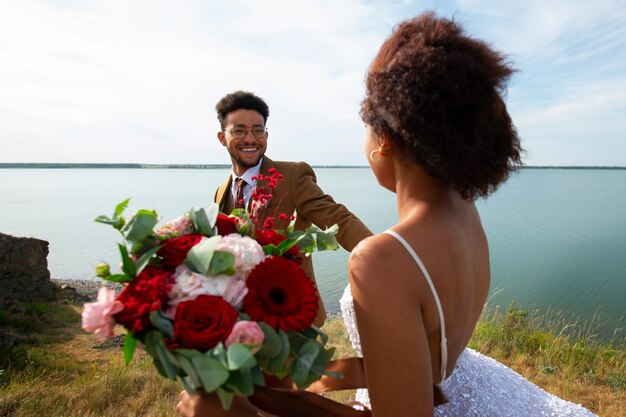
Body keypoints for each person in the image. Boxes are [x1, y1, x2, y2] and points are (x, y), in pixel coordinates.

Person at [178, 13, 597, 417]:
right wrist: (308, 384)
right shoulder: (467, 215)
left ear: (388, 138)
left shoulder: (384, 261)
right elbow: (422, 361)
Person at [213, 90, 372, 327]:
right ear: (222, 137)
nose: (250, 139)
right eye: (239, 130)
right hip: (243, 325)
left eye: (258, 130)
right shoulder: (221, 191)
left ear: (266, 135)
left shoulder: (292, 177)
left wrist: (381, 259)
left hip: (295, 322)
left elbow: (339, 219)